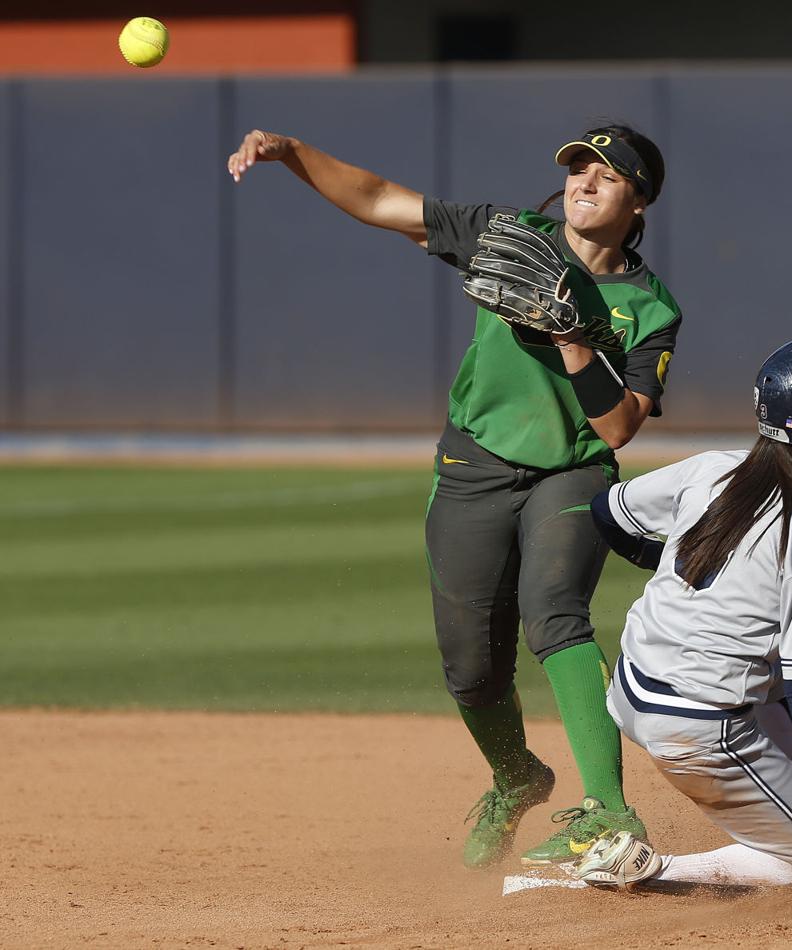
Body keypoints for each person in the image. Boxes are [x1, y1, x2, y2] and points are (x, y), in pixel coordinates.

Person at [226, 125, 681, 869]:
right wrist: (292, 153)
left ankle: (608, 811)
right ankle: (517, 777)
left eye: (606, 174)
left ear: (639, 201)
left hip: (573, 470)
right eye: (577, 169)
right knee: (472, 667)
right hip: (473, 464)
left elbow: (620, 426)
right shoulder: (508, 236)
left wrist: (573, 340)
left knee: (556, 612)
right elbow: (379, 200)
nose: (583, 182)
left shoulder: (651, 308)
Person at [568, 334, 792, 891]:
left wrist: (671, 568)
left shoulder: (715, 468)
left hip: (633, 690)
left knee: (761, 672)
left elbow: (607, 511)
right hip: (698, 731)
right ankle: (645, 869)